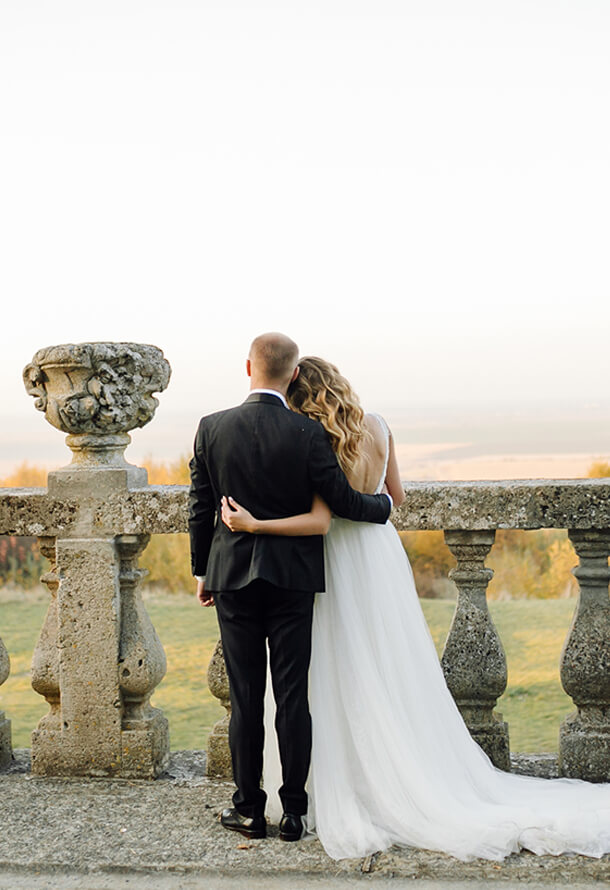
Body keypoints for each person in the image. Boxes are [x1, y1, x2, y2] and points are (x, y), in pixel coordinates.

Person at [220, 355, 610, 862]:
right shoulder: (378, 426)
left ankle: (337, 784)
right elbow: (395, 497)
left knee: (328, 673)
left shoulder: (308, 436)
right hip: (379, 557)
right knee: (387, 667)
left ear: (299, 392)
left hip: (331, 557)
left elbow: (322, 512)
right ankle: (402, 772)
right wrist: (375, 503)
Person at [188, 334, 391, 843]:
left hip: (231, 578)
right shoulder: (307, 433)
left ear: (248, 366)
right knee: (293, 697)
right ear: (294, 374)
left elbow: (199, 508)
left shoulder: (211, 428)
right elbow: (344, 501)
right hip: (293, 580)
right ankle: (295, 814)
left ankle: (249, 811)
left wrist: (201, 572)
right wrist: (384, 509)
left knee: (246, 697)